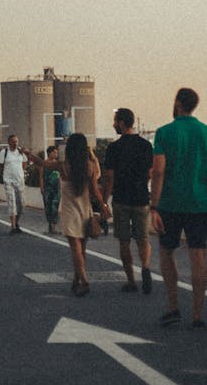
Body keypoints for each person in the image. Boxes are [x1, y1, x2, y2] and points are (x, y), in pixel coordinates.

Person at [150, 88, 207, 329]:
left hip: (170, 203)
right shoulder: (205, 132)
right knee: (198, 255)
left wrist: (154, 206)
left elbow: (159, 170)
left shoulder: (164, 132)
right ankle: (197, 314)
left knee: (167, 251)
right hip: (200, 203)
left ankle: (173, 306)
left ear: (178, 103)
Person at [27, 133, 110, 295]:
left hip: (70, 211)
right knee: (82, 248)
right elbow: (95, 191)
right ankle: (76, 279)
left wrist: (28, 154)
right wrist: (103, 206)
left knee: (75, 249)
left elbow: (42, 163)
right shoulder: (90, 166)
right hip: (85, 210)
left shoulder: (63, 166)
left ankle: (84, 281)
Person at [102, 107, 153, 294]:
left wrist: (104, 201)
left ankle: (131, 280)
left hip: (121, 199)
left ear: (122, 123)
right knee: (143, 239)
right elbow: (150, 172)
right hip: (141, 198)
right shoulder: (146, 146)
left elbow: (109, 177)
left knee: (124, 241)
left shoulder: (114, 148)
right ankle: (146, 266)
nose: (113, 124)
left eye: (115, 121)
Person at [0, 135, 27, 233]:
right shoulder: (4, 152)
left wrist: (22, 172)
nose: (15, 143)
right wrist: (3, 177)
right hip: (8, 181)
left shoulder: (20, 152)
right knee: (12, 203)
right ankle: (13, 226)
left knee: (21, 203)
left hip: (20, 180)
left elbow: (25, 162)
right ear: (9, 142)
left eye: (16, 141)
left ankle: (16, 222)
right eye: (13, 141)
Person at [40, 145, 61, 234]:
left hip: (57, 188)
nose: (56, 154)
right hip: (48, 188)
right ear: (49, 153)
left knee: (55, 206)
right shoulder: (44, 163)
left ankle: (54, 226)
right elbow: (41, 176)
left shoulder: (58, 164)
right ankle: (50, 223)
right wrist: (41, 187)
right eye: (54, 152)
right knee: (48, 206)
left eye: (57, 152)